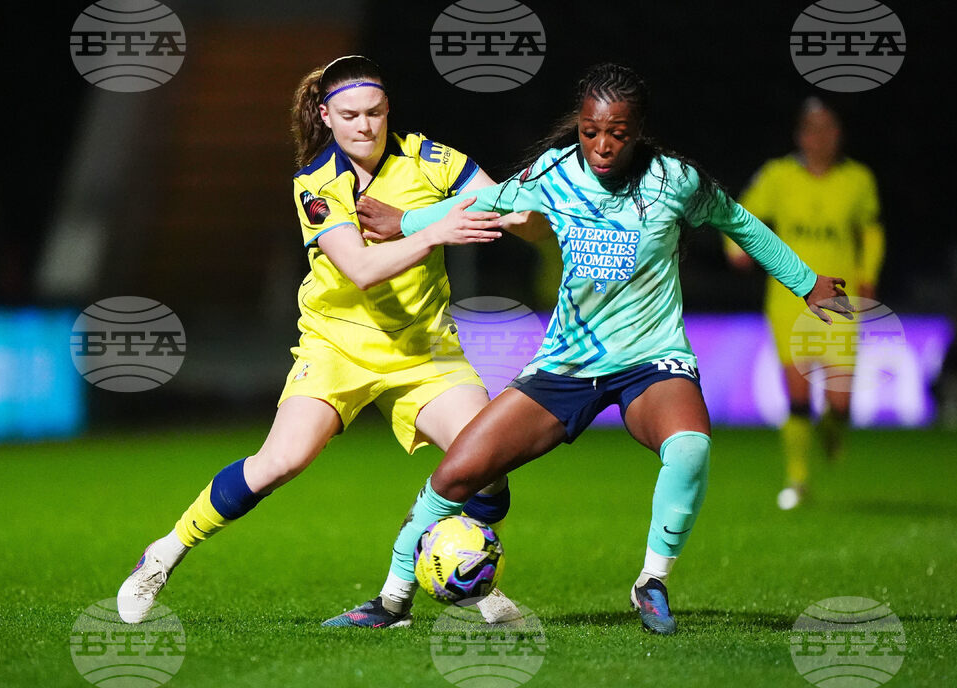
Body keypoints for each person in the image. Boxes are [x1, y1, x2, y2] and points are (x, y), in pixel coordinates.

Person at [330, 63, 853, 634]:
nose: (602, 146)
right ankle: (392, 598)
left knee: (690, 448)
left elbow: (742, 224)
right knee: (456, 476)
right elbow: (489, 202)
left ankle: (651, 581)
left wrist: (807, 282)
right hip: (566, 366)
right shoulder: (555, 171)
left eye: (617, 133)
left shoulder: (674, 182)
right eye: (590, 130)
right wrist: (407, 220)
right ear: (579, 125)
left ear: (638, 131)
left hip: (651, 361)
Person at [116, 55, 535, 628]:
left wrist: (513, 207)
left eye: (376, 112)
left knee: (489, 464)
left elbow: (513, 210)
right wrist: (433, 227)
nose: (365, 126)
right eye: (350, 115)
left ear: (390, 109)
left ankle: (458, 583)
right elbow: (361, 267)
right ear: (325, 115)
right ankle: (162, 554)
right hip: (337, 347)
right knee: (281, 461)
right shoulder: (316, 181)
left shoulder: (433, 160)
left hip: (423, 350)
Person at [726, 97, 885, 510]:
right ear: (801, 136)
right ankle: (797, 479)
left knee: (841, 403)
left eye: (829, 129)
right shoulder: (778, 176)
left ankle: (833, 430)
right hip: (789, 299)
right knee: (798, 395)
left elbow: (870, 231)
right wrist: (734, 248)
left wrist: (868, 274)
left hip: (839, 301)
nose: (821, 138)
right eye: (813, 129)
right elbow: (740, 216)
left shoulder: (858, 180)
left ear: (839, 135)